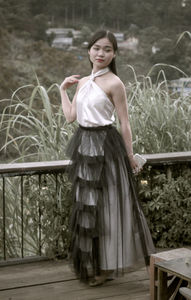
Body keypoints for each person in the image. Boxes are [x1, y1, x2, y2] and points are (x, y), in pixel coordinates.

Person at [60, 30, 155, 287]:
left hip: (106, 147)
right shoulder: (82, 83)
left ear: (114, 54)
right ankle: (95, 266)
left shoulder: (115, 83)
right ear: (89, 50)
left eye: (107, 49)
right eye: (96, 48)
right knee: (88, 210)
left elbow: (125, 124)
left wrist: (130, 156)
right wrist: (62, 90)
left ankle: (106, 267)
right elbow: (71, 117)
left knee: (109, 208)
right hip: (84, 147)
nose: (101, 53)